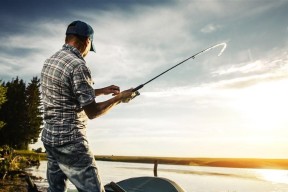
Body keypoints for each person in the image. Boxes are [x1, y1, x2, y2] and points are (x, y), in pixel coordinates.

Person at [41, 20, 135, 192]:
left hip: (50, 138)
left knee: (55, 190)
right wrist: (120, 98)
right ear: (87, 41)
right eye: (90, 47)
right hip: (71, 142)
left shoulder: (50, 61)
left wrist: (100, 91)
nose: (88, 53)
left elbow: (68, 92)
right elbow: (92, 112)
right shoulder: (78, 65)